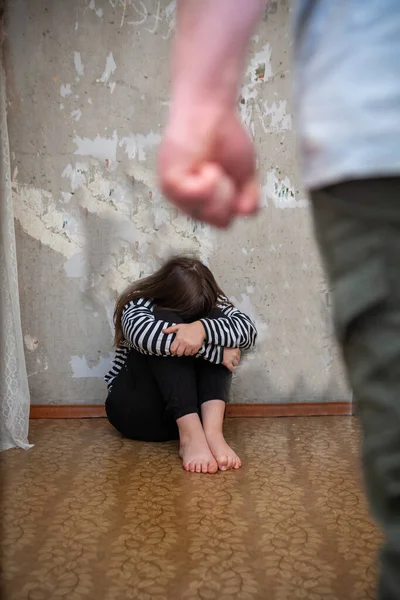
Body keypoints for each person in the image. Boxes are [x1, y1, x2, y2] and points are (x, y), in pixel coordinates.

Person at [157, 1, 400, 597]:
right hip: (143, 414)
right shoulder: (142, 306)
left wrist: (209, 335)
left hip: (369, 142)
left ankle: (211, 435)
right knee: (175, 346)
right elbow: (142, 332)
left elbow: (241, 324)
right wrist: (188, 338)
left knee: (215, 343)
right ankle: (196, 435)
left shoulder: (217, 305)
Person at [105, 256, 257, 474]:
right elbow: (146, 338)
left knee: (217, 320)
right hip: (138, 413)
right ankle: (191, 437)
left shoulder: (211, 301)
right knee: (166, 327)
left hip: (196, 414)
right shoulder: (138, 303)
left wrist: (203, 329)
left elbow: (248, 332)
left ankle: (212, 434)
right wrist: (217, 353)